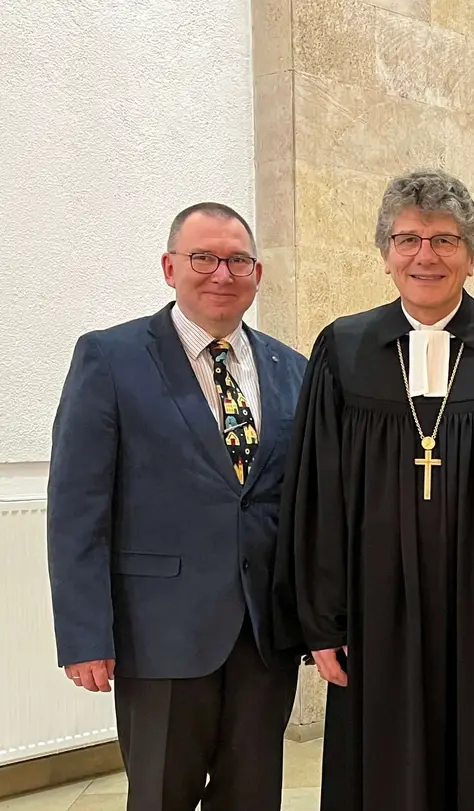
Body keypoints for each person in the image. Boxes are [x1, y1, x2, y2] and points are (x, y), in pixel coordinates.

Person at [271, 168, 474, 811]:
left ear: (471, 255)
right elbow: (316, 497)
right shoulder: (344, 350)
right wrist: (322, 623)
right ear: (385, 253)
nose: (426, 256)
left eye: (445, 240)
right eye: (408, 239)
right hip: (376, 620)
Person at [46, 203, 306, 811]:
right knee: (162, 795)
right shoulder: (111, 358)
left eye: (237, 260)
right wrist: (84, 633)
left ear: (257, 273)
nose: (222, 273)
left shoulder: (290, 368)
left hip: (264, 635)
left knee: (253, 796)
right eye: (203, 258)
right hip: (159, 633)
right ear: (169, 268)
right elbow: (78, 507)